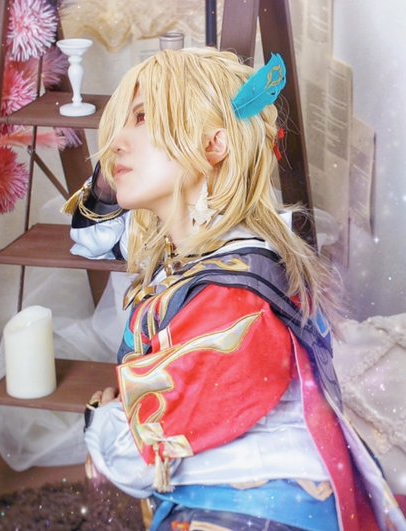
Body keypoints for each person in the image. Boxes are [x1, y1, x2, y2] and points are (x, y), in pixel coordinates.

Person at [65, 48, 406, 531]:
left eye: (141, 118)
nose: (114, 142)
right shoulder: (200, 247)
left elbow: (134, 458)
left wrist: (99, 417)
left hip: (258, 514)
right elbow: (91, 240)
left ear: (214, 145)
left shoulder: (232, 299)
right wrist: (113, 171)